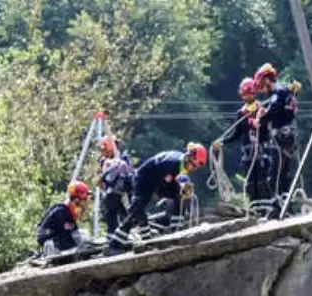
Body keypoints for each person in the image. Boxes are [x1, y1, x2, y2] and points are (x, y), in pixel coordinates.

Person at [104, 143, 208, 254]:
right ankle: (113, 245)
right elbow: (162, 188)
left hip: (152, 181)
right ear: (189, 158)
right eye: (193, 165)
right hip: (143, 181)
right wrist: (179, 189)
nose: (192, 169)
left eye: (195, 167)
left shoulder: (180, 162)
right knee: (135, 212)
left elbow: (169, 182)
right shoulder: (173, 163)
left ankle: (175, 230)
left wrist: (180, 188)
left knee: (179, 195)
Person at [212, 78, 271, 216]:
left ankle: (266, 209)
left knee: (263, 181)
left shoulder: (261, 109)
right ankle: (255, 209)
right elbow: (236, 134)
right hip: (248, 154)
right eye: (244, 95)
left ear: (253, 93)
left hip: (262, 151)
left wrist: (259, 120)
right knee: (250, 182)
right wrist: (222, 141)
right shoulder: (241, 113)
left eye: (248, 94)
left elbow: (268, 130)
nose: (246, 97)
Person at [253, 63, 301, 218]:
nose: (262, 90)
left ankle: (278, 207)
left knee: (273, 176)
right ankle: (287, 205)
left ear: (267, 80)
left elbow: (272, 113)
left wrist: (260, 119)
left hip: (282, 138)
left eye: (261, 86)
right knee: (284, 174)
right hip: (290, 137)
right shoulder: (286, 92)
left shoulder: (277, 94)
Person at [35, 181, 92, 257]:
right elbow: (42, 235)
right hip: (52, 243)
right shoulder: (61, 211)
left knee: (84, 234)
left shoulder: (69, 211)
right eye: (84, 199)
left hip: (61, 239)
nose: (85, 202)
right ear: (76, 200)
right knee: (51, 245)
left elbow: (73, 232)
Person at [97, 135, 135, 236]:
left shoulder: (123, 159)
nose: (103, 153)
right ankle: (117, 234)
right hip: (112, 192)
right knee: (112, 212)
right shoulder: (104, 161)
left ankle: (132, 227)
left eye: (104, 150)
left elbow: (129, 176)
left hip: (125, 189)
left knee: (129, 211)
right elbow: (102, 178)